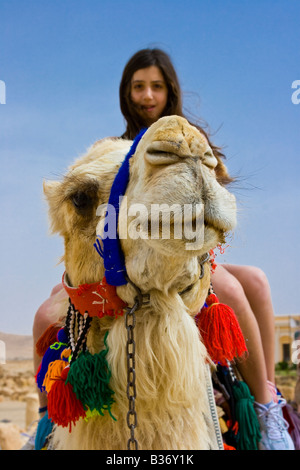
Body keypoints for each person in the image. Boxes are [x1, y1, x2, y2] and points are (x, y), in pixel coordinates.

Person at [32, 48, 294, 450]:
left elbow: (216, 196)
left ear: (169, 91)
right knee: (44, 313)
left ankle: (265, 406)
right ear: (126, 93)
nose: (147, 96)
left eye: (156, 86)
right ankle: (49, 418)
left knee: (249, 284)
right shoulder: (112, 147)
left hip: (183, 253)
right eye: (139, 87)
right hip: (118, 255)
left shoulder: (190, 141)